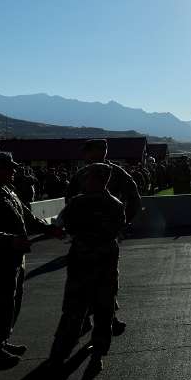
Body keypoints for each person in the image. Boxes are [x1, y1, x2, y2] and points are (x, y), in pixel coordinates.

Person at [0, 152, 62, 367]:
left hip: (15, 257)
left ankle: (2, 340)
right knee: (1, 303)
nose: (14, 171)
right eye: (9, 168)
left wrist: (50, 230)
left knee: (12, 300)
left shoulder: (8, 191)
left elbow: (28, 217)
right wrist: (11, 240)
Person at [50, 163, 126, 372]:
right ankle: (98, 355)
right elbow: (119, 230)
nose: (85, 181)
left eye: (88, 178)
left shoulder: (76, 203)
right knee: (104, 310)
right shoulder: (116, 204)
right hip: (106, 265)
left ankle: (60, 353)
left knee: (74, 310)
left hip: (82, 264)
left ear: (94, 179)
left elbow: (63, 226)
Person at [65, 139, 141, 336]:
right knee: (104, 279)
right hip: (103, 236)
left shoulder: (85, 174)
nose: (84, 155)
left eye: (87, 151)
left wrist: (122, 223)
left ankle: (100, 320)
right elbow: (134, 198)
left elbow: (69, 203)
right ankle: (100, 320)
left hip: (91, 238)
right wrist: (123, 224)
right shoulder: (114, 172)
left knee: (94, 280)